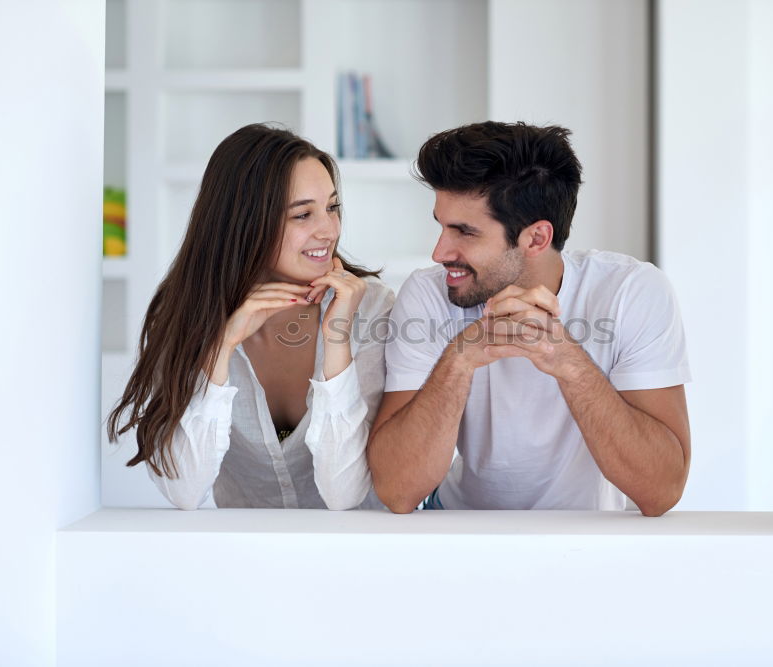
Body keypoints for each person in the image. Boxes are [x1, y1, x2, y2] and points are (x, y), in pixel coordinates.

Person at [367, 121, 692, 515]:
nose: (439, 252)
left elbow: (661, 490)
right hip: (456, 529)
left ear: (536, 238)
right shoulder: (429, 294)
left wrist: (569, 363)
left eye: (464, 232)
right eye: (441, 226)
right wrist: (461, 358)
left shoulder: (630, 292)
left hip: (589, 537)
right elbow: (398, 491)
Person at [107, 124, 393, 510]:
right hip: (244, 560)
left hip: (358, 556)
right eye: (303, 215)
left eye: (332, 207)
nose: (328, 230)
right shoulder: (185, 314)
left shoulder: (371, 308)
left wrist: (337, 338)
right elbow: (184, 492)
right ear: (244, 221)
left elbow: (346, 495)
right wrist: (219, 346)